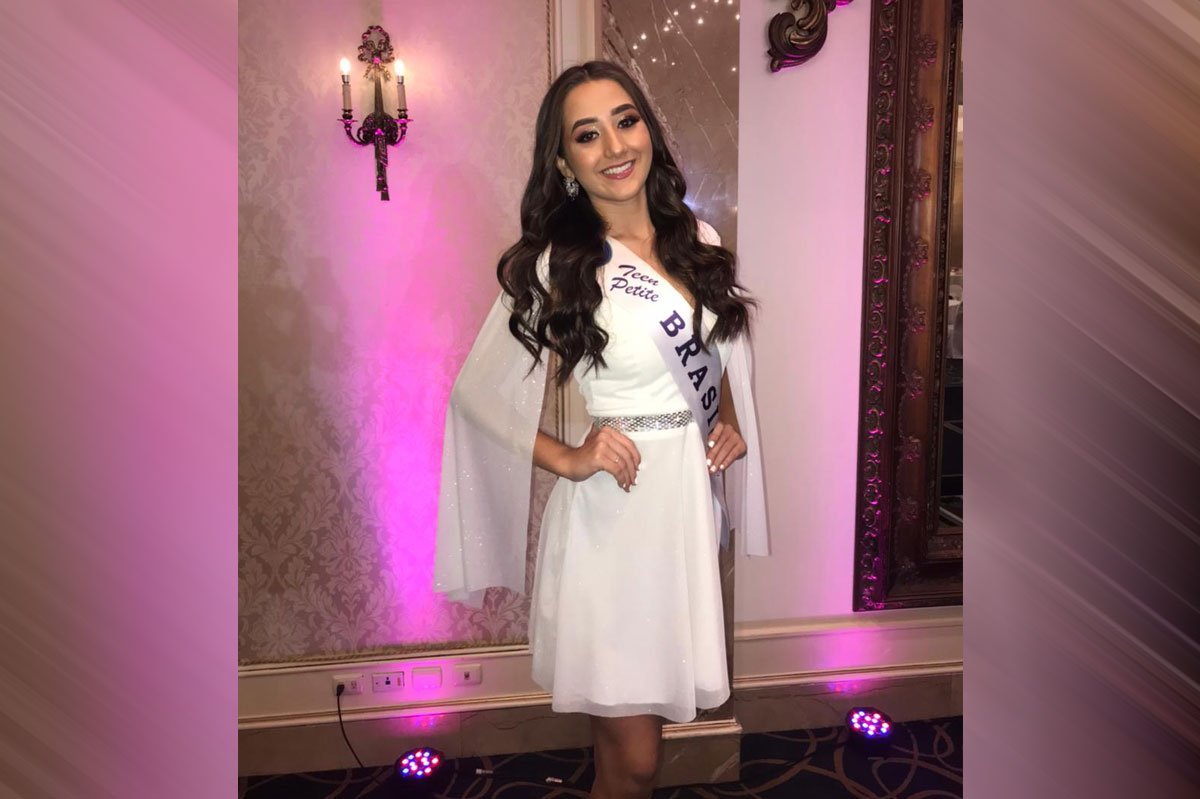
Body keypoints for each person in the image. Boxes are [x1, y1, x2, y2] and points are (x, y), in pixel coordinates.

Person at [434, 60, 770, 799]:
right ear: (563, 163)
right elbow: (475, 395)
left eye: (626, 120)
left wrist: (728, 420)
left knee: (626, 745)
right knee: (639, 757)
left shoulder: (696, 237)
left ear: (647, 128)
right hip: (613, 517)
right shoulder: (561, 262)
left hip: (680, 513)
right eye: (587, 135)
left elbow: (716, 352)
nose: (615, 146)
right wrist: (569, 457)